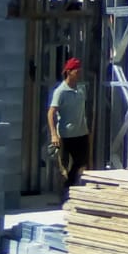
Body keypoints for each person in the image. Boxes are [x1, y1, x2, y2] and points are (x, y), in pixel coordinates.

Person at [48, 57, 89, 196]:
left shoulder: (81, 89)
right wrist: (54, 135)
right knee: (64, 168)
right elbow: (51, 113)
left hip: (81, 133)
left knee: (81, 163)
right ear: (69, 72)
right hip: (66, 135)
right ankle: (64, 193)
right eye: (76, 71)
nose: (79, 74)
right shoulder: (60, 91)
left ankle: (71, 188)